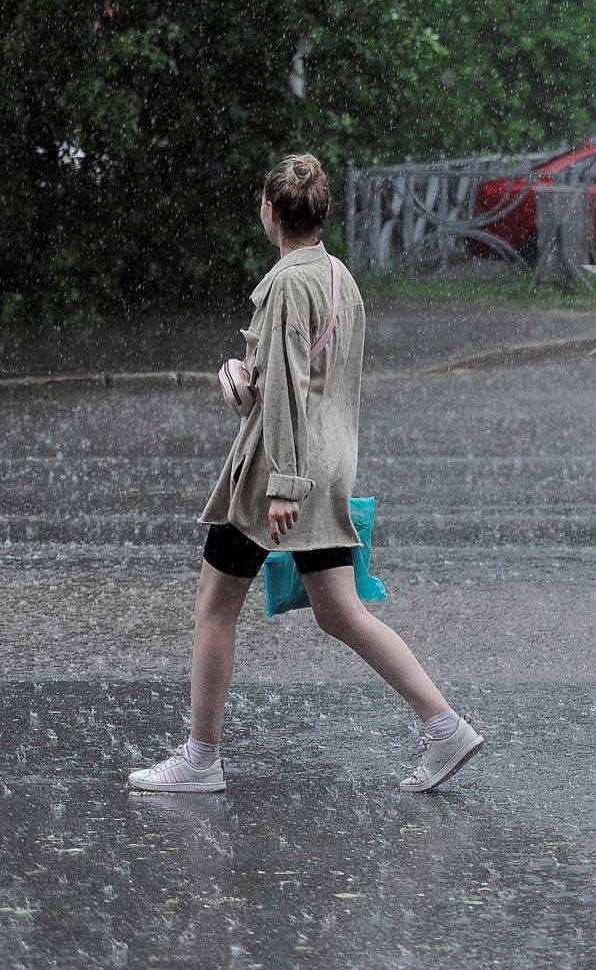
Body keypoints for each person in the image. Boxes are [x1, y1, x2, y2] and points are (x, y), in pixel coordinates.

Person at [129, 155, 484, 794]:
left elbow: (289, 389)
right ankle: (444, 726)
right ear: (320, 215)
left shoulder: (285, 285)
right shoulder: (341, 278)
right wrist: (258, 394)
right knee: (340, 611)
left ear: (270, 212)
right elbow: (326, 382)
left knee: (214, 607)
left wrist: (283, 481)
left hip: (277, 474)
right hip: (331, 462)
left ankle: (200, 761)